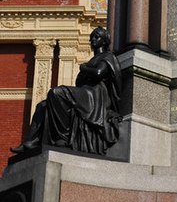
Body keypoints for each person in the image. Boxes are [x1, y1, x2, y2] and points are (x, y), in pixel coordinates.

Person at [11, 27, 122, 155]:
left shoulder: (108, 56)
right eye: (91, 37)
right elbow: (79, 82)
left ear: (104, 41)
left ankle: (62, 138)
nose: (92, 39)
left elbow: (98, 73)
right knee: (42, 106)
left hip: (95, 96)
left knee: (56, 93)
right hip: (84, 93)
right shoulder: (93, 60)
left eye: (97, 36)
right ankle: (29, 143)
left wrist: (83, 68)